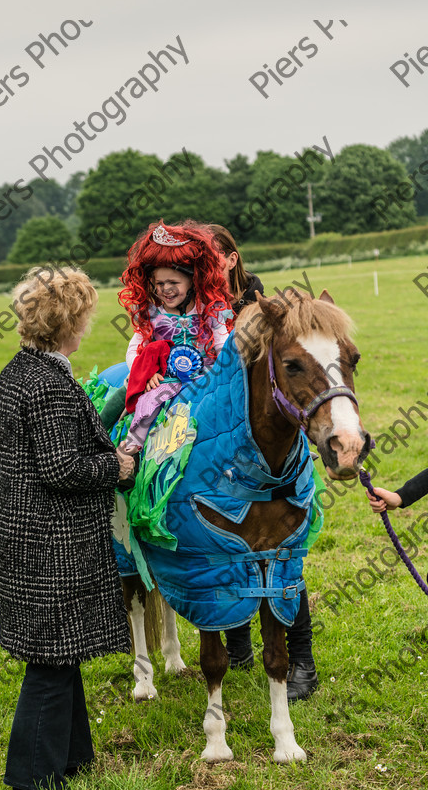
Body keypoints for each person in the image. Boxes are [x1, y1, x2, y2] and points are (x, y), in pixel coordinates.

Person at [0, 265, 135, 790]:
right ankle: (31, 778)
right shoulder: (47, 383)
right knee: (50, 662)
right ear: (67, 321)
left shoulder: (22, 369)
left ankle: (74, 759)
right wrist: (115, 467)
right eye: (85, 315)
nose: (89, 325)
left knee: (60, 652)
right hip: (49, 546)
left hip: (25, 541)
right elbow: (62, 469)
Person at [209, 224, 318, 703]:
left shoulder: (259, 301)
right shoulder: (193, 302)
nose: (207, 266)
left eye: (214, 257)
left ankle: (302, 659)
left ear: (233, 258)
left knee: (282, 548)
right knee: (223, 539)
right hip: (220, 432)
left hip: (265, 435)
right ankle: (237, 644)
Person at [119, 220, 232, 451]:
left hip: (206, 378)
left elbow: (223, 344)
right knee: (148, 408)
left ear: (193, 280)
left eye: (173, 282)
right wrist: (146, 373)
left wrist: (225, 372)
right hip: (164, 381)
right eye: (159, 283)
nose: (165, 289)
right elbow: (134, 350)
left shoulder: (210, 310)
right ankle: (131, 452)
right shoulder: (151, 313)